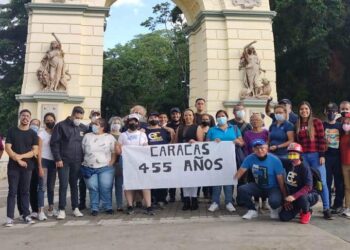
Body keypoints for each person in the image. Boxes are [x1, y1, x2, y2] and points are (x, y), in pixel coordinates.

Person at [295, 101, 332, 219]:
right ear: (299, 111)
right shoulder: (297, 124)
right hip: (303, 156)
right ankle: (307, 207)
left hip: (315, 155)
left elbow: (322, 139)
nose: (304, 111)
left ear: (310, 110)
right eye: (301, 109)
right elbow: (297, 142)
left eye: (306, 109)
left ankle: (326, 208)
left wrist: (322, 155)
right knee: (306, 182)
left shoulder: (316, 122)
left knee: (322, 182)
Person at [50, 106, 88, 220]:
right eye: (77, 117)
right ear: (72, 115)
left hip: (77, 161)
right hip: (64, 161)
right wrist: (58, 159)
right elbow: (54, 143)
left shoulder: (82, 127)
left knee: (74, 185)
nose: (78, 120)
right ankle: (61, 209)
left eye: (80, 118)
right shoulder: (60, 126)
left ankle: (75, 208)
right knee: (63, 185)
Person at [235, 139, 287, 220]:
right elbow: (240, 172)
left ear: (267, 148)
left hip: (273, 188)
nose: (260, 150)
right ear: (253, 150)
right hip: (258, 186)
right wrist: (230, 181)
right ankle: (252, 210)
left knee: (275, 201)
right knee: (242, 189)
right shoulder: (250, 158)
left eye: (262, 148)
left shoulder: (275, 160)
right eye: (257, 148)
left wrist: (284, 196)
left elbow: (280, 180)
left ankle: (274, 209)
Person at [5, 109, 39, 227]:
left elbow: (34, 151)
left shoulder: (33, 134)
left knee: (25, 192)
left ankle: (26, 215)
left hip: (27, 167)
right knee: (12, 192)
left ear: (30, 118)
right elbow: (8, 148)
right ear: (20, 117)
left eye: (27, 116)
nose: (25, 117)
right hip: (13, 167)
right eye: (23, 115)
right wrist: (18, 160)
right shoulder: (11, 131)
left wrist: (21, 156)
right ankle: (9, 218)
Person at [207, 110, 244, 212]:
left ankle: (229, 202)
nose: (221, 118)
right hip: (216, 160)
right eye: (218, 116)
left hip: (231, 159)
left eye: (223, 116)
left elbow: (242, 143)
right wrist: (213, 142)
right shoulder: (212, 130)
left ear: (227, 117)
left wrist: (237, 141)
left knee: (229, 180)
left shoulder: (235, 128)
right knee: (216, 181)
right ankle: (215, 202)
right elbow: (206, 145)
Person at [116, 114, 154, 215]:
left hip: (141, 163)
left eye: (135, 121)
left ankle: (149, 206)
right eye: (131, 121)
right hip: (127, 163)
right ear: (128, 122)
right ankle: (129, 205)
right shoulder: (123, 135)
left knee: (145, 184)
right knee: (128, 184)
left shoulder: (142, 135)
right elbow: (118, 149)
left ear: (138, 123)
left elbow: (146, 147)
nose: (133, 123)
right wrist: (124, 152)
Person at [81, 118, 116, 216]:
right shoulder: (87, 136)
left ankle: (107, 206)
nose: (94, 126)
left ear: (102, 127)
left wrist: (112, 162)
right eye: (93, 124)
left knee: (105, 187)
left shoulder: (109, 137)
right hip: (89, 166)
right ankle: (94, 207)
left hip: (105, 167)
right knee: (93, 187)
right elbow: (83, 150)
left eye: (96, 124)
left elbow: (113, 151)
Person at [279, 143, 319, 224]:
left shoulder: (305, 168)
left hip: (308, 195)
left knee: (302, 198)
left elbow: (308, 187)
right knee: (283, 217)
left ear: (300, 154)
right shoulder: (288, 163)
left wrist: (294, 197)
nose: (292, 156)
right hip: (293, 196)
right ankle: (299, 208)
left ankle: (306, 211)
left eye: (294, 154)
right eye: (290, 154)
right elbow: (276, 158)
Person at [175, 108, 203, 210]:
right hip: (182, 156)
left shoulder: (197, 127)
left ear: (193, 116)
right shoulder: (180, 128)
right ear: (183, 117)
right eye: (186, 115)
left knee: (194, 178)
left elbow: (202, 143)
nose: (188, 117)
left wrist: (195, 142)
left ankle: (194, 199)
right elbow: (176, 143)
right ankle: (186, 200)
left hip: (194, 157)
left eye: (190, 115)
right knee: (185, 178)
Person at [145, 112, 172, 208]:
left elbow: (171, 143)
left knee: (162, 180)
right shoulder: (143, 131)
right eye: (151, 117)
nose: (153, 118)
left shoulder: (165, 131)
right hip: (149, 159)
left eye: (156, 117)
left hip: (162, 160)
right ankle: (152, 199)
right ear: (148, 119)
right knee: (151, 180)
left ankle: (162, 199)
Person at [243, 113, 269, 210]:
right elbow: (246, 148)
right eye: (253, 120)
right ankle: (257, 201)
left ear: (262, 121)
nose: (255, 121)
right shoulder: (247, 133)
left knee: (265, 181)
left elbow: (268, 146)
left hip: (264, 160)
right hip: (252, 160)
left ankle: (265, 201)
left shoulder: (266, 132)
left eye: (257, 119)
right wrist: (247, 160)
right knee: (253, 181)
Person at [323, 103, 344, 214]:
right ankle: (327, 204)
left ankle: (338, 204)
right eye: (329, 111)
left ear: (337, 113)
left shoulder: (340, 126)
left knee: (339, 182)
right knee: (326, 182)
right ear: (325, 112)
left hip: (338, 157)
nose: (331, 113)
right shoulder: (322, 125)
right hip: (326, 157)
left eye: (333, 111)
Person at [37, 113, 57, 219]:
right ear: (44, 121)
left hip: (53, 162)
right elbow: (39, 151)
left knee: (51, 187)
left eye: (52, 120)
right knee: (42, 187)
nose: (50, 122)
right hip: (43, 161)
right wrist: (39, 166)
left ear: (55, 120)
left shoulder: (56, 133)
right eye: (48, 120)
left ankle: (51, 209)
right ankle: (40, 211)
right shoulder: (41, 134)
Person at [167, 107, 182, 202]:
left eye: (177, 113)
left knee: (181, 175)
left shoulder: (183, 125)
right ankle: (172, 195)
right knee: (171, 175)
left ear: (180, 115)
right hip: (170, 154)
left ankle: (183, 194)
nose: (175, 115)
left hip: (182, 153)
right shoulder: (167, 125)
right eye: (173, 114)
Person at [109, 116, 124, 211]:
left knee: (119, 185)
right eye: (114, 122)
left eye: (118, 123)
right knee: (108, 185)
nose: (116, 124)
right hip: (109, 163)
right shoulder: (107, 135)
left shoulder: (123, 135)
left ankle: (119, 204)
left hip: (120, 163)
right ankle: (108, 205)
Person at [340, 113, 350, 218]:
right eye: (345, 122)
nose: (346, 124)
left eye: (349, 122)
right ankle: (347, 207)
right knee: (347, 187)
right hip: (344, 164)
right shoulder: (343, 136)